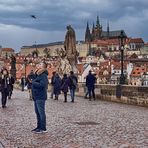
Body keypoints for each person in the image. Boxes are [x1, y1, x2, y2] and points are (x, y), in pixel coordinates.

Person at [31, 62, 48, 134]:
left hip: (40, 96)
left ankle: (43, 128)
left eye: (40, 64)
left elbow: (42, 85)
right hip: (36, 96)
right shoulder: (37, 75)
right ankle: (38, 127)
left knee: (41, 113)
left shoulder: (43, 75)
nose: (38, 65)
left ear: (43, 67)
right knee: (37, 113)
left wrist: (33, 82)